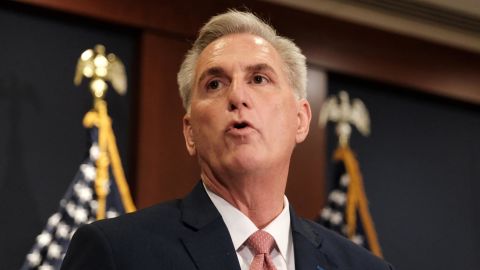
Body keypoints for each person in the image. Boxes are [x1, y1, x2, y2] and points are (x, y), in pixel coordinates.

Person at [61, 10, 394, 270]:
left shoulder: (362, 267)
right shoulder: (118, 253)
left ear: (300, 120)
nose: (237, 96)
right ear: (190, 132)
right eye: (215, 84)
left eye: (259, 78)